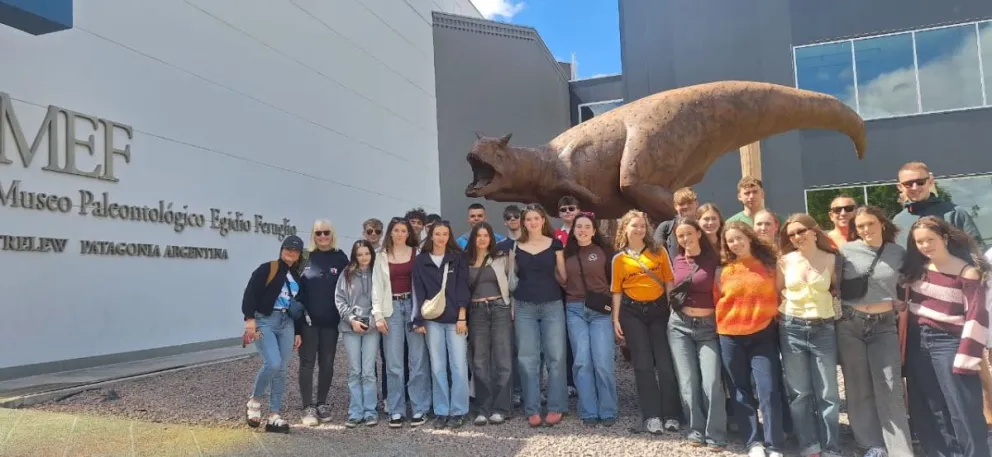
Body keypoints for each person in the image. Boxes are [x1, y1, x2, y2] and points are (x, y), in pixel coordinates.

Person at [902, 216, 990, 457]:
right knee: (929, 407)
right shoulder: (915, 271)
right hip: (917, 341)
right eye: (919, 241)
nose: (925, 245)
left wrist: (968, 357)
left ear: (945, 238)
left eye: (930, 239)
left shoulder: (967, 272)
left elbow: (977, 317)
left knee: (963, 408)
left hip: (950, 343)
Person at [837, 206, 913, 456]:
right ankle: (870, 444)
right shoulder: (846, 251)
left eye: (870, 223)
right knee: (858, 385)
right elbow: (832, 284)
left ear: (882, 223)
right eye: (860, 226)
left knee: (890, 385)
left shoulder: (897, 253)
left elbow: (905, 285)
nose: (866, 229)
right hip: (850, 323)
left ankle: (900, 448)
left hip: (883, 324)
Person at [715, 222, 786, 457]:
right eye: (730, 241)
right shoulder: (724, 270)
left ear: (749, 237)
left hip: (762, 335)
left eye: (739, 238)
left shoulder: (769, 265)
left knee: (768, 389)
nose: (735, 243)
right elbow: (718, 300)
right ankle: (753, 442)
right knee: (739, 390)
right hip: (730, 336)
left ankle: (774, 444)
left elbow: (781, 294)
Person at [611, 210, 682, 434]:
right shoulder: (619, 259)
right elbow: (616, 292)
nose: (639, 229)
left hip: (659, 310)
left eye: (642, 226)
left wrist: (672, 309)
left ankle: (671, 414)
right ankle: (651, 415)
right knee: (642, 364)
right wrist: (615, 318)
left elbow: (669, 281)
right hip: (632, 313)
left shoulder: (658, 251)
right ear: (625, 229)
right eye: (635, 226)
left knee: (665, 363)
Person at [776, 214, 842, 457]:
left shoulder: (832, 260)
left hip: (823, 328)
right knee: (799, 392)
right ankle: (809, 444)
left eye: (801, 231)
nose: (796, 237)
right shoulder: (784, 261)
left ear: (814, 231)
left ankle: (831, 446)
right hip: (791, 327)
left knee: (828, 393)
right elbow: (778, 292)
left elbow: (837, 292)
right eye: (791, 234)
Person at [667, 217, 726, 449]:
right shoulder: (677, 260)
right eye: (680, 236)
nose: (685, 239)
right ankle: (696, 430)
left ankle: (716, 434)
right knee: (688, 381)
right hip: (679, 326)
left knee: (711, 381)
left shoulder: (714, 260)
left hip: (708, 327)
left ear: (699, 233)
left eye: (689, 234)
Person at [241, 235, 306, 433]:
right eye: (288, 249)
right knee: (273, 363)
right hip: (264, 321)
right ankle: (254, 401)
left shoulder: (296, 276)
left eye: (295, 251)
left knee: (282, 369)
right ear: (281, 249)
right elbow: (250, 292)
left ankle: (273, 415)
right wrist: (249, 319)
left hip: (287, 322)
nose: (291, 253)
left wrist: (299, 332)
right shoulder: (268, 268)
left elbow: (300, 305)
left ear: (299, 255)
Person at [512, 203, 569, 427]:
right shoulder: (516, 246)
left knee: (556, 357)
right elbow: (513, 276)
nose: (532, 222)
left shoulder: (555, 244)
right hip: (524, 305)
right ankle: (532, 408)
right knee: (527, 358)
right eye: (528, 219)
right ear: (524, 223)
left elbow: (563, 276)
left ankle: (556, 407)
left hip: (552, 304)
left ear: (543, 220)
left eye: (536, 218)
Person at [372, 218, 431, 428]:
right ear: (390, 232)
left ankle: (419, 408)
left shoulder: (417, 254)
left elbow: (425, 283)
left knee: (418, 361)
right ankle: (395, 410)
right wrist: (378, 315)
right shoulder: (381, 256)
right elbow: (376, 287)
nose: (399, 234)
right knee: (394, 363)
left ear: (409, 233)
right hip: (392, 310)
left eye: (403, 230)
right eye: (395, 230)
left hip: (413, 308)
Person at [413, 221, 471, 429]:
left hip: (456, 319)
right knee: (437, 367)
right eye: (438, 234)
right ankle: (441, 410)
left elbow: (464, 288)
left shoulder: (457, 258)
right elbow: (418, 291)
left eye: (445, 234)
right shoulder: (421, 261)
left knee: (459, 366)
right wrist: (418, 319)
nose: (441, 238)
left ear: (450, 236)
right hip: (432, 321)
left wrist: (463, 316)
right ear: (431, 236)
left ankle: (459, 410)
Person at [563, 212, 618, 427]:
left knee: (603, 362)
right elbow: (561, 279)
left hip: (600, 311)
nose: (583, 230)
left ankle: (608, 409)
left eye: (587, 227)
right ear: (573, 230)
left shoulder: (604, 252)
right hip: (574, 309)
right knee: (582, 362)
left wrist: (615, 312)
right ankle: (588, 411)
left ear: (594, 231)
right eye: (579, 227)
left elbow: (615, 284)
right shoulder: (565, 253)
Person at [298, 220, 349, 426]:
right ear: (313, 235)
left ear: (332, 234)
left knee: (327, 363)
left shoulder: (340, 257)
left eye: (326, 232)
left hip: (331, 322)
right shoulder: (304, 257)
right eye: (318, 233)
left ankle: (322, 403)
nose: (322, 236)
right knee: (307, 363)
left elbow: (349, 286)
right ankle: (307, 407)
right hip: (308, 322)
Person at [465, 222, 514, 426]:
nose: (482, 239)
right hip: (476, 312)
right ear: (473, 238)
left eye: (486, 235)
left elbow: (513, 282)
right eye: (479, 235)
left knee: (502, 359)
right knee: (479, 361)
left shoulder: (501, 258)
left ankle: (502, 408)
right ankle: (482, 408)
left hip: (499, 309)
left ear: (491, 238)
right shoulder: (465, 261)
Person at [335, 240, 379, 428]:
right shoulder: (347, 274)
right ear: (355, 256)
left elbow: (380, 298)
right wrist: (351, 320)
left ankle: (370, 411)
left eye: (366, 254)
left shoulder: (378, 273)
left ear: (371, 254)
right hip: (350, 327)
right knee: (355, 371)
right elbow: (339, 299)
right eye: (359, 254)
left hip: (372, 328)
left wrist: (370, 320)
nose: (363, 258)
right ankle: (355, 411)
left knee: (368, 371)